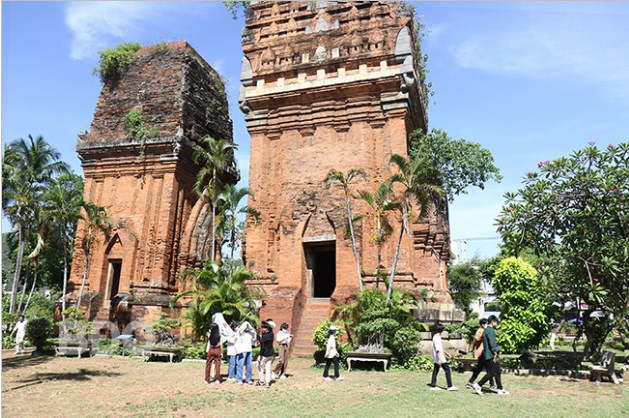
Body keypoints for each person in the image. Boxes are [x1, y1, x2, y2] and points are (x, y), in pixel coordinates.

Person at [472, 315, 509, 395]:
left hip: (487, 354)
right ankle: (478, 385)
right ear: (493, 322)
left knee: (498, 371)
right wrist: (495, 353)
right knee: (492, 372)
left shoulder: (486, 330)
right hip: (491, 355)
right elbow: (492, 344)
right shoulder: (490, 331)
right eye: (496, 323)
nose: (497, 325)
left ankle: (500, 388)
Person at [205, 313, 234, 385]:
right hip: (217, 349)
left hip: (211, 349)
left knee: (208, 365)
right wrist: (221, 352)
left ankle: (207, 379)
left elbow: (208, 342)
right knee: (217, 365)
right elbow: (221, 344)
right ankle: (217, 379)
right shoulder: (219, 336)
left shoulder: (209, 334)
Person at [466, 318, 495, 390]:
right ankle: (491, 384)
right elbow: (477, 338)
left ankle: (470, 382)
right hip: (483, 352)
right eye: (486, 323)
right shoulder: (481, 330)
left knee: (481, 368)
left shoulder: (485, 330)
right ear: (483, 324)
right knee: (489, 369)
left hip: (484, 352)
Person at [429, 322, 458, 391]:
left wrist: (446, 352)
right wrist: (440, 359)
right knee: (447, 370)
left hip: (437, 357)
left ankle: (433, 385)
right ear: (442, 330)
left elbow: (439, 348)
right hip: (440, 357)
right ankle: (450, 386)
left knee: (436, 370)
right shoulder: (437, 338)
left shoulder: (435, 336)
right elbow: (438, 349)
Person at [257, 322, 275, 387]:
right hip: (271, 353)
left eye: (263, 328)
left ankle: (261, 380)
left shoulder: (264, 337)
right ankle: (267, 382)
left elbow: (262, 347)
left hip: (265, 354)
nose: (262, 329)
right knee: (268, 367)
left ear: (266, 329)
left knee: (259, 366)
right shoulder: (271, 334)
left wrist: (260, 355)